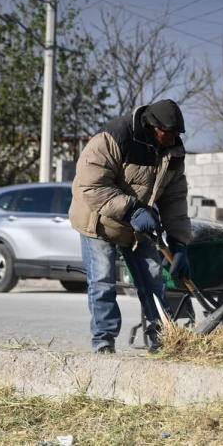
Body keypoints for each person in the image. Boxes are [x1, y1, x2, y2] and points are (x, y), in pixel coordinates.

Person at [69, 99, 192, 353]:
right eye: (167, 133)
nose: (172, 139)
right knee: (103, 281)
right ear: (152, 126)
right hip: (99, 220)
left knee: (154, 279)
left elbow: (174, 199)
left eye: (176, 134)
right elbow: (90, 186)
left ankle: (162, 338)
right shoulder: (114, 138)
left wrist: (180, 243)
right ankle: (104, 341)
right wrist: (132, 209)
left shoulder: (173, 152)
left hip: (138, 225)